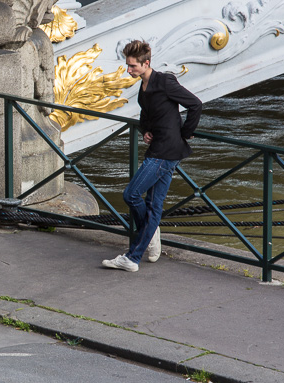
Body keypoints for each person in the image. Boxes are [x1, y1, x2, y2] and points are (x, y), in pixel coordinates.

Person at [102, 40, 202, 272]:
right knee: (153, 206)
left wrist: (184, 134)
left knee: (131, 194)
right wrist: (145, 130)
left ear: (146, 63)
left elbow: (195, 104)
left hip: (165, 151)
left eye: (133, 66)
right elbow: (147, 114)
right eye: (128, 65)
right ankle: (138, 251)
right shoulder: (143, 86)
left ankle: (143, 239)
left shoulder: (165, 81)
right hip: (159, 147)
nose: (129, 70)